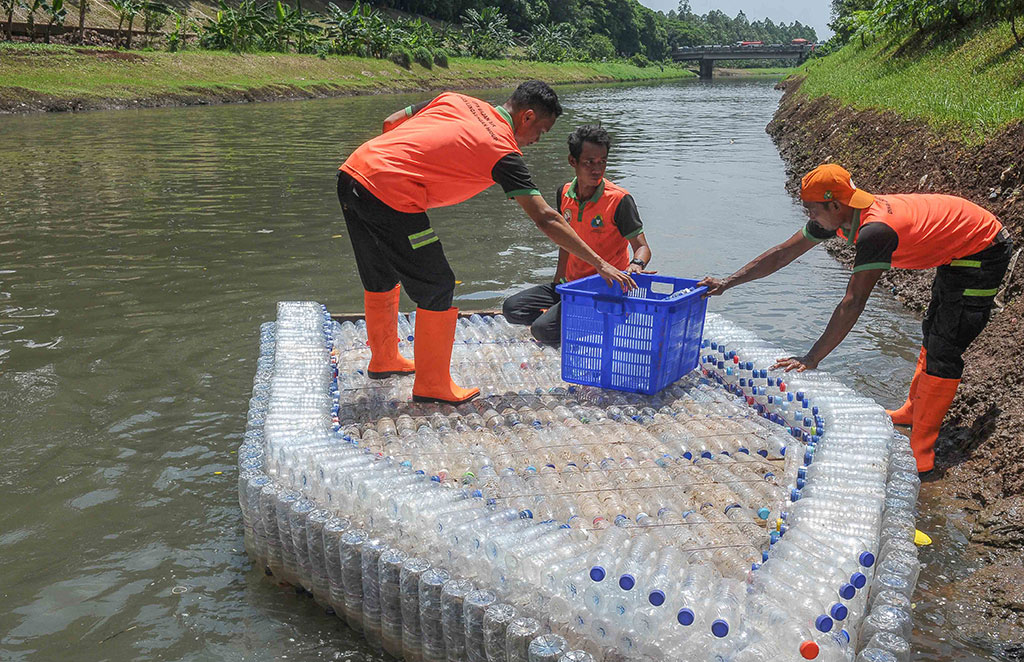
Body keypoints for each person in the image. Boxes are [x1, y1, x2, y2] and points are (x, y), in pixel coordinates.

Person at [699, 163, 1013, 473]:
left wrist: (812, 357)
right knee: (933, 327)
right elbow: (783, 253)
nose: (808, 216)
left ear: (835, 204)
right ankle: (911, 412)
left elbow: (853, 303)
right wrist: (728, 282)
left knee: (946, 344)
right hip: (956, 244)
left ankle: (921, 452)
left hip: (982, 249)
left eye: (811, 209)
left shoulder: (875, 231)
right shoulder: (840, 216)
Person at [337, 81, 635, 405]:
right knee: (438, 283)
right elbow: (545, 218)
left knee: (379, 273)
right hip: (390, 193)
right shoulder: (501, 149)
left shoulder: (457, 100)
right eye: (542, 131)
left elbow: (392, 122)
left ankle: (384, 359)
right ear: (527, 117)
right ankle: (432, 384)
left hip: (354, 171)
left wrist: (400, 161)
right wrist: (601, 263)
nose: (536, 141)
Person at [503, 124, 653, 345]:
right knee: (512, 309)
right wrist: (558, 282)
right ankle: (573, 325)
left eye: (602, 161)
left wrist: (637, 264)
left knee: (542, 330)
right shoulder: (564, 193)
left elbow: (642, 247)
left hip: (603, 289)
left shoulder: (619, 200)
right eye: (589, 162)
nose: (597, 169)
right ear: (572, 161)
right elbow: (565, 241)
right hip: (571, 285)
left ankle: (586, 325)